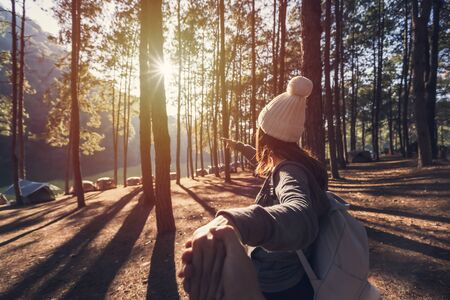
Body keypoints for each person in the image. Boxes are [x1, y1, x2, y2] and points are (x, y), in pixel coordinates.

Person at [180, 76, 331, 300]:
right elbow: (264, 160)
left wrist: (238, 221)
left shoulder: (290, 172)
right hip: (292, 278)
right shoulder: (300, 164)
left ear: (264, 137)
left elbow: (301, 213)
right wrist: (239, 146)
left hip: (278, 286)